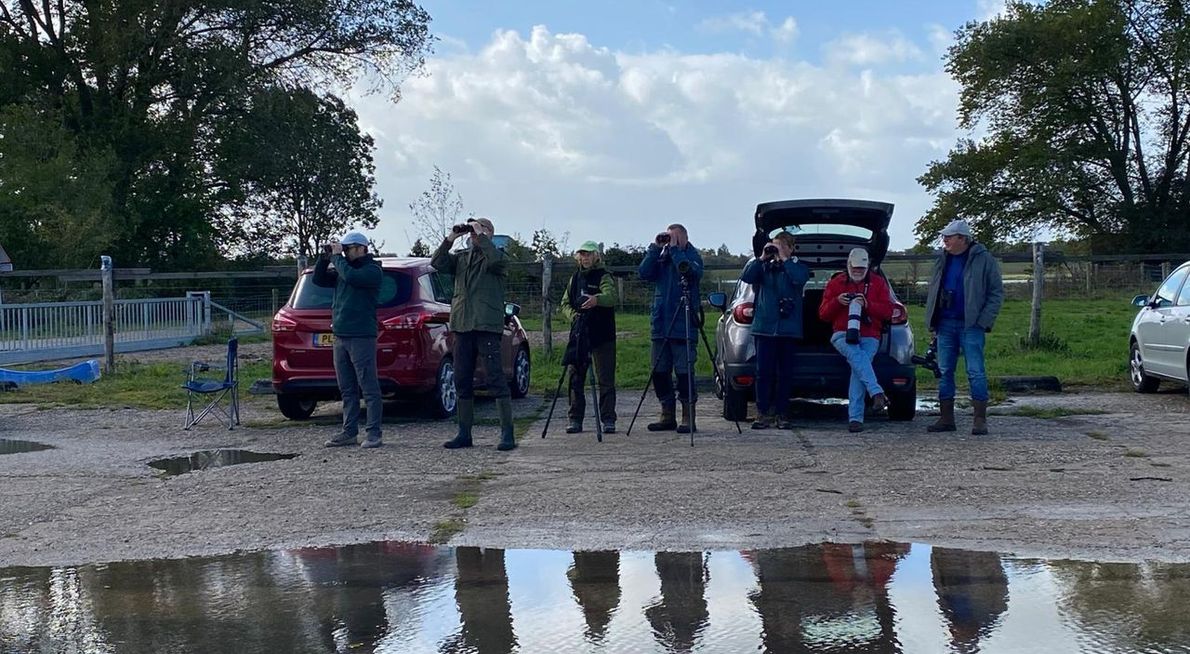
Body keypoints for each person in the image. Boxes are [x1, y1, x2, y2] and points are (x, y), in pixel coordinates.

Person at [431, 216, 517, 451]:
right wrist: (451, 237)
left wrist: (481, 235)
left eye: (479, 231)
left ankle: (507, 434)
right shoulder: (461, 258)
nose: (473, 235)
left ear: (489, 233)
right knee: (461, 378)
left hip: (486, 325)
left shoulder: (497, 256)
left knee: (495, 378)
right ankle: (464, 433)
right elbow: (437, 263)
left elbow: (497, 263)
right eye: (471, 232)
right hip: (462, 325)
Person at [924, 219, 1004, 435]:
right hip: (945, 323)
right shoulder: (942, 259)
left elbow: (996, 292)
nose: (945, 240)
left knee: (975, 371)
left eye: (949, 237)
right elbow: (934, 289)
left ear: (963, 238)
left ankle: (979, 420)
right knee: (944, 370)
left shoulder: (984, 259)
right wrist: (933, 321)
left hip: (972, 324)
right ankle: (946, 418)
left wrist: (983, 321)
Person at [313, 231, 384, 448]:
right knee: (347, 388)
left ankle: (374, 433)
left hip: (361, 335)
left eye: (348, 248)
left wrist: (337, 258)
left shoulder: (371, 271)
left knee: (368, 385)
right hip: (341, 335)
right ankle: (349, 431)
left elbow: (353, 278)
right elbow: (319, 279)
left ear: (361, 248)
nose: (345, 252)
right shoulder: (344, 270)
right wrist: (324, 258)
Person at [739, 231, 810, 429]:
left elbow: (799, 279)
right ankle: (762, 413)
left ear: (790, 248)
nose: (776, 250)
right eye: (774, 246)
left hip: (788, 330)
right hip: (765, 328)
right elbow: (746, 277)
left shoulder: (798, 267)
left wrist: (785, 260)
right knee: (763, 373)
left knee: (785, 374)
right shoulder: (763, 268)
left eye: (780, 246)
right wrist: (762, 257)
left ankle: (782, 413)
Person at [818, 247, 893, 433]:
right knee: (860, 360)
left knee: (858, 366)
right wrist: (837, 302)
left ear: (867, 267)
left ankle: (856, 418)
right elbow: (823, 315)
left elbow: (889, 312)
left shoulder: (878, 283)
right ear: (848, 265)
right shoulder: (836, 283)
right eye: (855, 268)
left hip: (869, 334)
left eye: (861, 268)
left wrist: (867, 304)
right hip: (842, 333)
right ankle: (875, 394)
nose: (858, 271)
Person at [638, 223, 704, 433]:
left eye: (674, 237)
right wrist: (654, 248)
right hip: (661, 324)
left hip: (683, 324)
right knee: (659, 372)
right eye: (668, 237)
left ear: (684, 238)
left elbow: (690, 272)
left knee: (684, 373)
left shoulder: (692, 256)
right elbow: (644, 273)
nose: (670, 240)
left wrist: (676, 251)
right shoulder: (661, 257)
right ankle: (667, 414)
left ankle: (688, 416)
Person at [559, 241, 618, 434]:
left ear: (595, 256)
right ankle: (575, 418)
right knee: (575, 376)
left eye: (588, 254)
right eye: (582, 254)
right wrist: (573, 316)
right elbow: (565, 303)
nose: (585, 258)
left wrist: (596, 300)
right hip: (579, 333)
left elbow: (611, 297)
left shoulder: (604, 276)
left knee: (605, 378)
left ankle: (608, 419)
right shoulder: (574, 278)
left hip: (602, 333)